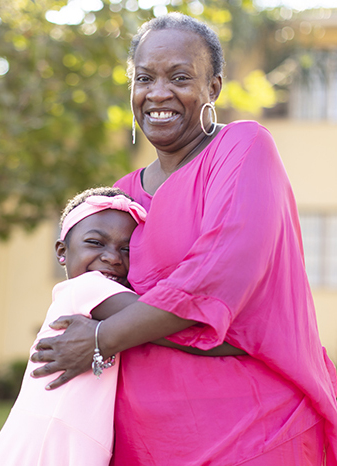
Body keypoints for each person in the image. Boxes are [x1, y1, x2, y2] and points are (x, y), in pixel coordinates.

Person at [30, 13, 337, 466]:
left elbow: (219, 275)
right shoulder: (122, 196)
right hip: (143, 444)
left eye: (180, 77)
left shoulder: (243, 148)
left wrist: (103, 337)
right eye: (144, 77)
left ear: (213, 87)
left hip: (253, 433)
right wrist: (106, 328)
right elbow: (96, 292)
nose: (158, 93)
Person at [0, 187, 146, 465]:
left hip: (61, 437)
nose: (113, 257)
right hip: (50, 441)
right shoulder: (88, 287)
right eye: (96, 243)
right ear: (62, 251)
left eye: (126, 249)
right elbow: (162, 318)